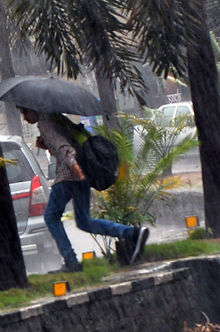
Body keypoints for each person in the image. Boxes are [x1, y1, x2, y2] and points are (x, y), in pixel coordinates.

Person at [18, 106, 148, 272]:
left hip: (69, 175)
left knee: (51, 217)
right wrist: (46, 145)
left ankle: (71, 262)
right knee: (84, 221)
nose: (25, 118)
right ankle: (132, 233)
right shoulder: (57, 116)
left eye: (25, 112)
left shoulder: (45, 122)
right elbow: (70, 140)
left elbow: (64, 148)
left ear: (32, 108)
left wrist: (74, 166)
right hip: (83, 173)